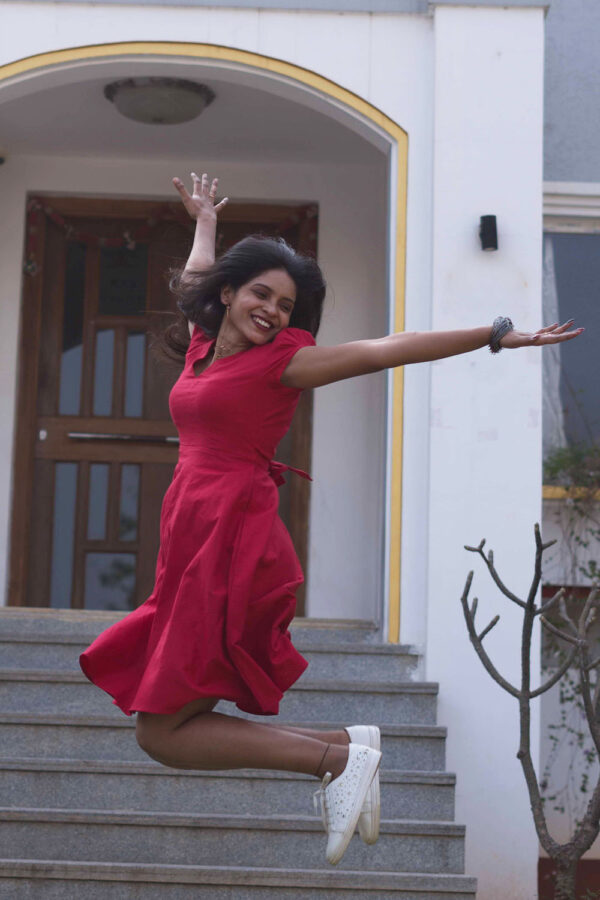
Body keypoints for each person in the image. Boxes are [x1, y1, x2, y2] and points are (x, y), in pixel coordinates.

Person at [80, 172, 584, 866]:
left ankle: (338, 761)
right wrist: (204, 223)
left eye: (286, 304)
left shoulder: (284, 364)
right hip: (192, 537)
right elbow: (195, 278)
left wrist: (493, 334)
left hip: (230, 537)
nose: (272, 310)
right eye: (261, 294)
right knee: (167, 721)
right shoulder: (203, 347)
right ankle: (348, 750)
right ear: (229, 295)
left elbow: (386, 348)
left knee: (161, 729)